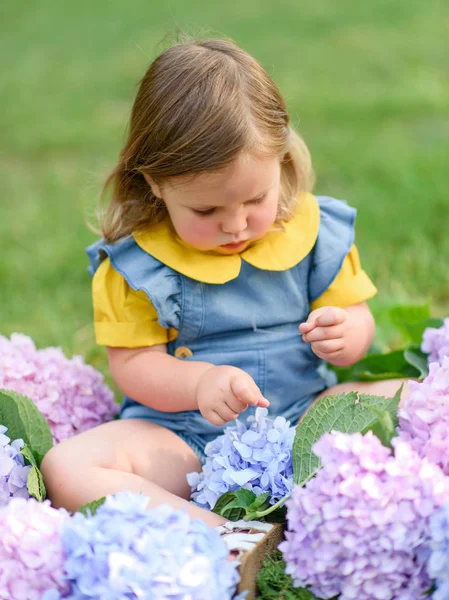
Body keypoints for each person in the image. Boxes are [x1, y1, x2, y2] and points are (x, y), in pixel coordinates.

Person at [41, 37, 405, 528]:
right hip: (185, 440)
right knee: (67, 467)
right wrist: (199, 383)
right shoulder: (139, 263)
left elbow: (357, 321)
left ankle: (345, 499)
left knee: (418, 397)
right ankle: (215, 534)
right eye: (207, 210)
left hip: (305, 419)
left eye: (256, 199)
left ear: (280, 161)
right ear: (154, 183)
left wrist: (347, 333)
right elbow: (132, 365)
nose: (235, 225)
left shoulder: (312, 231)